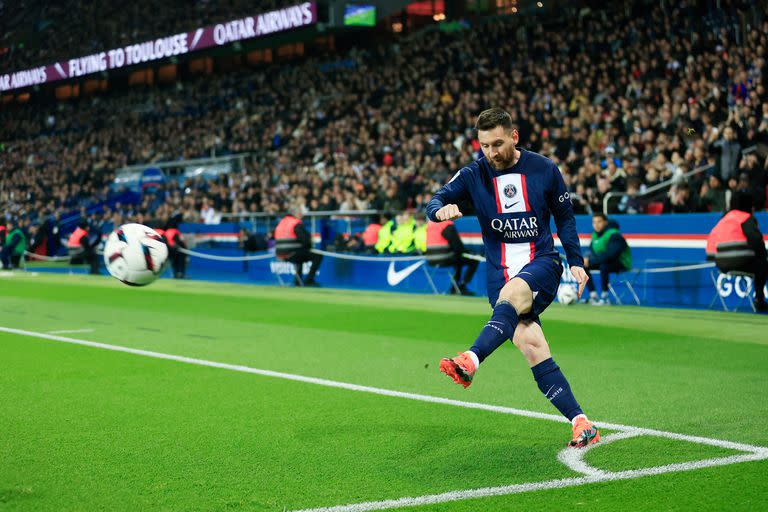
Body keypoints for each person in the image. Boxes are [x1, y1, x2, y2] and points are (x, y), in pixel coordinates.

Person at [427, 108, 598, 448]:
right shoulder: (473, 174)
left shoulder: (544, 169)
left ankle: (470, 360)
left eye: (498, 143)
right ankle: (581, 422)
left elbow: (564, 217)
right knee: (534, 347)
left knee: (513, 293)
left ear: (514, 137)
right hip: (498, 275)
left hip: (542, 263)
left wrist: (576, 261)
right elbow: (435, 200)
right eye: (485, 145)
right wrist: (440, 211)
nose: (491, 152)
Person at [706, 192, 767, 312]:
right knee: (763, 264)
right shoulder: (745, 217)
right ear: (748, 205)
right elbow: (756, 240)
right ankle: (759, 299)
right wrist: (763, 254)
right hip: (742, 262)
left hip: (721, 266)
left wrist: (716, 258)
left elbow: (711, 240)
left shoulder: (723, 219)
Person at [421, 216, 479, 296]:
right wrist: (469, 253)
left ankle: (454, 288)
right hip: (443, 258)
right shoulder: (446, 225)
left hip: (430, 260)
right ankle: (462, 286)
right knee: (473, 261)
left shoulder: (431, 224)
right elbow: (458, 246)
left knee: (458, 261)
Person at [583, 213, 632, 305]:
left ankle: (604, 297)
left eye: (599, 222)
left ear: (605, 223)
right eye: (594, 222)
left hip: (621, 263)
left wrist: (591, 261)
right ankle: (593, 296)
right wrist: (585, 259)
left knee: (604, 265)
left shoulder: (615, 235)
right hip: (604, 262)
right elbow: (590, 251)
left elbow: (610, 255)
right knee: (583, 266)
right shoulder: (595, 236)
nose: (596, 225)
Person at [274, 206, 322, 286]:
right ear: (296, 214)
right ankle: (309, 280)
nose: (302, 216)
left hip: (279, 254)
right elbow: (305, 240)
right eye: (300, 213)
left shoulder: (282, 222)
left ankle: (297, 281)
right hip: (291, 253)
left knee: (300, 255)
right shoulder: (296, 223)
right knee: (317, 256)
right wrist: (310, 245)